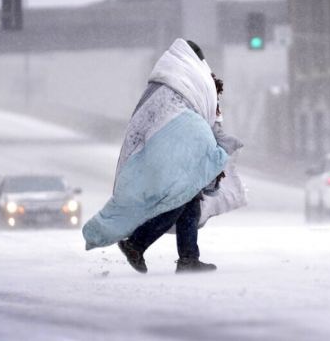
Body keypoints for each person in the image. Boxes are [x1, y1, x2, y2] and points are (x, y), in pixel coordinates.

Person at [82, 39, 245, 273]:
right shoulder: (194, 82)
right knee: (179, 199)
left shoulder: (163, 84)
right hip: (175, 150)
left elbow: (149, 119)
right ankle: (137, 243)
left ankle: (188, 257)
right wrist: (217, 146)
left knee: (188, 200)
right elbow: (206, 119)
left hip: (161, 149)